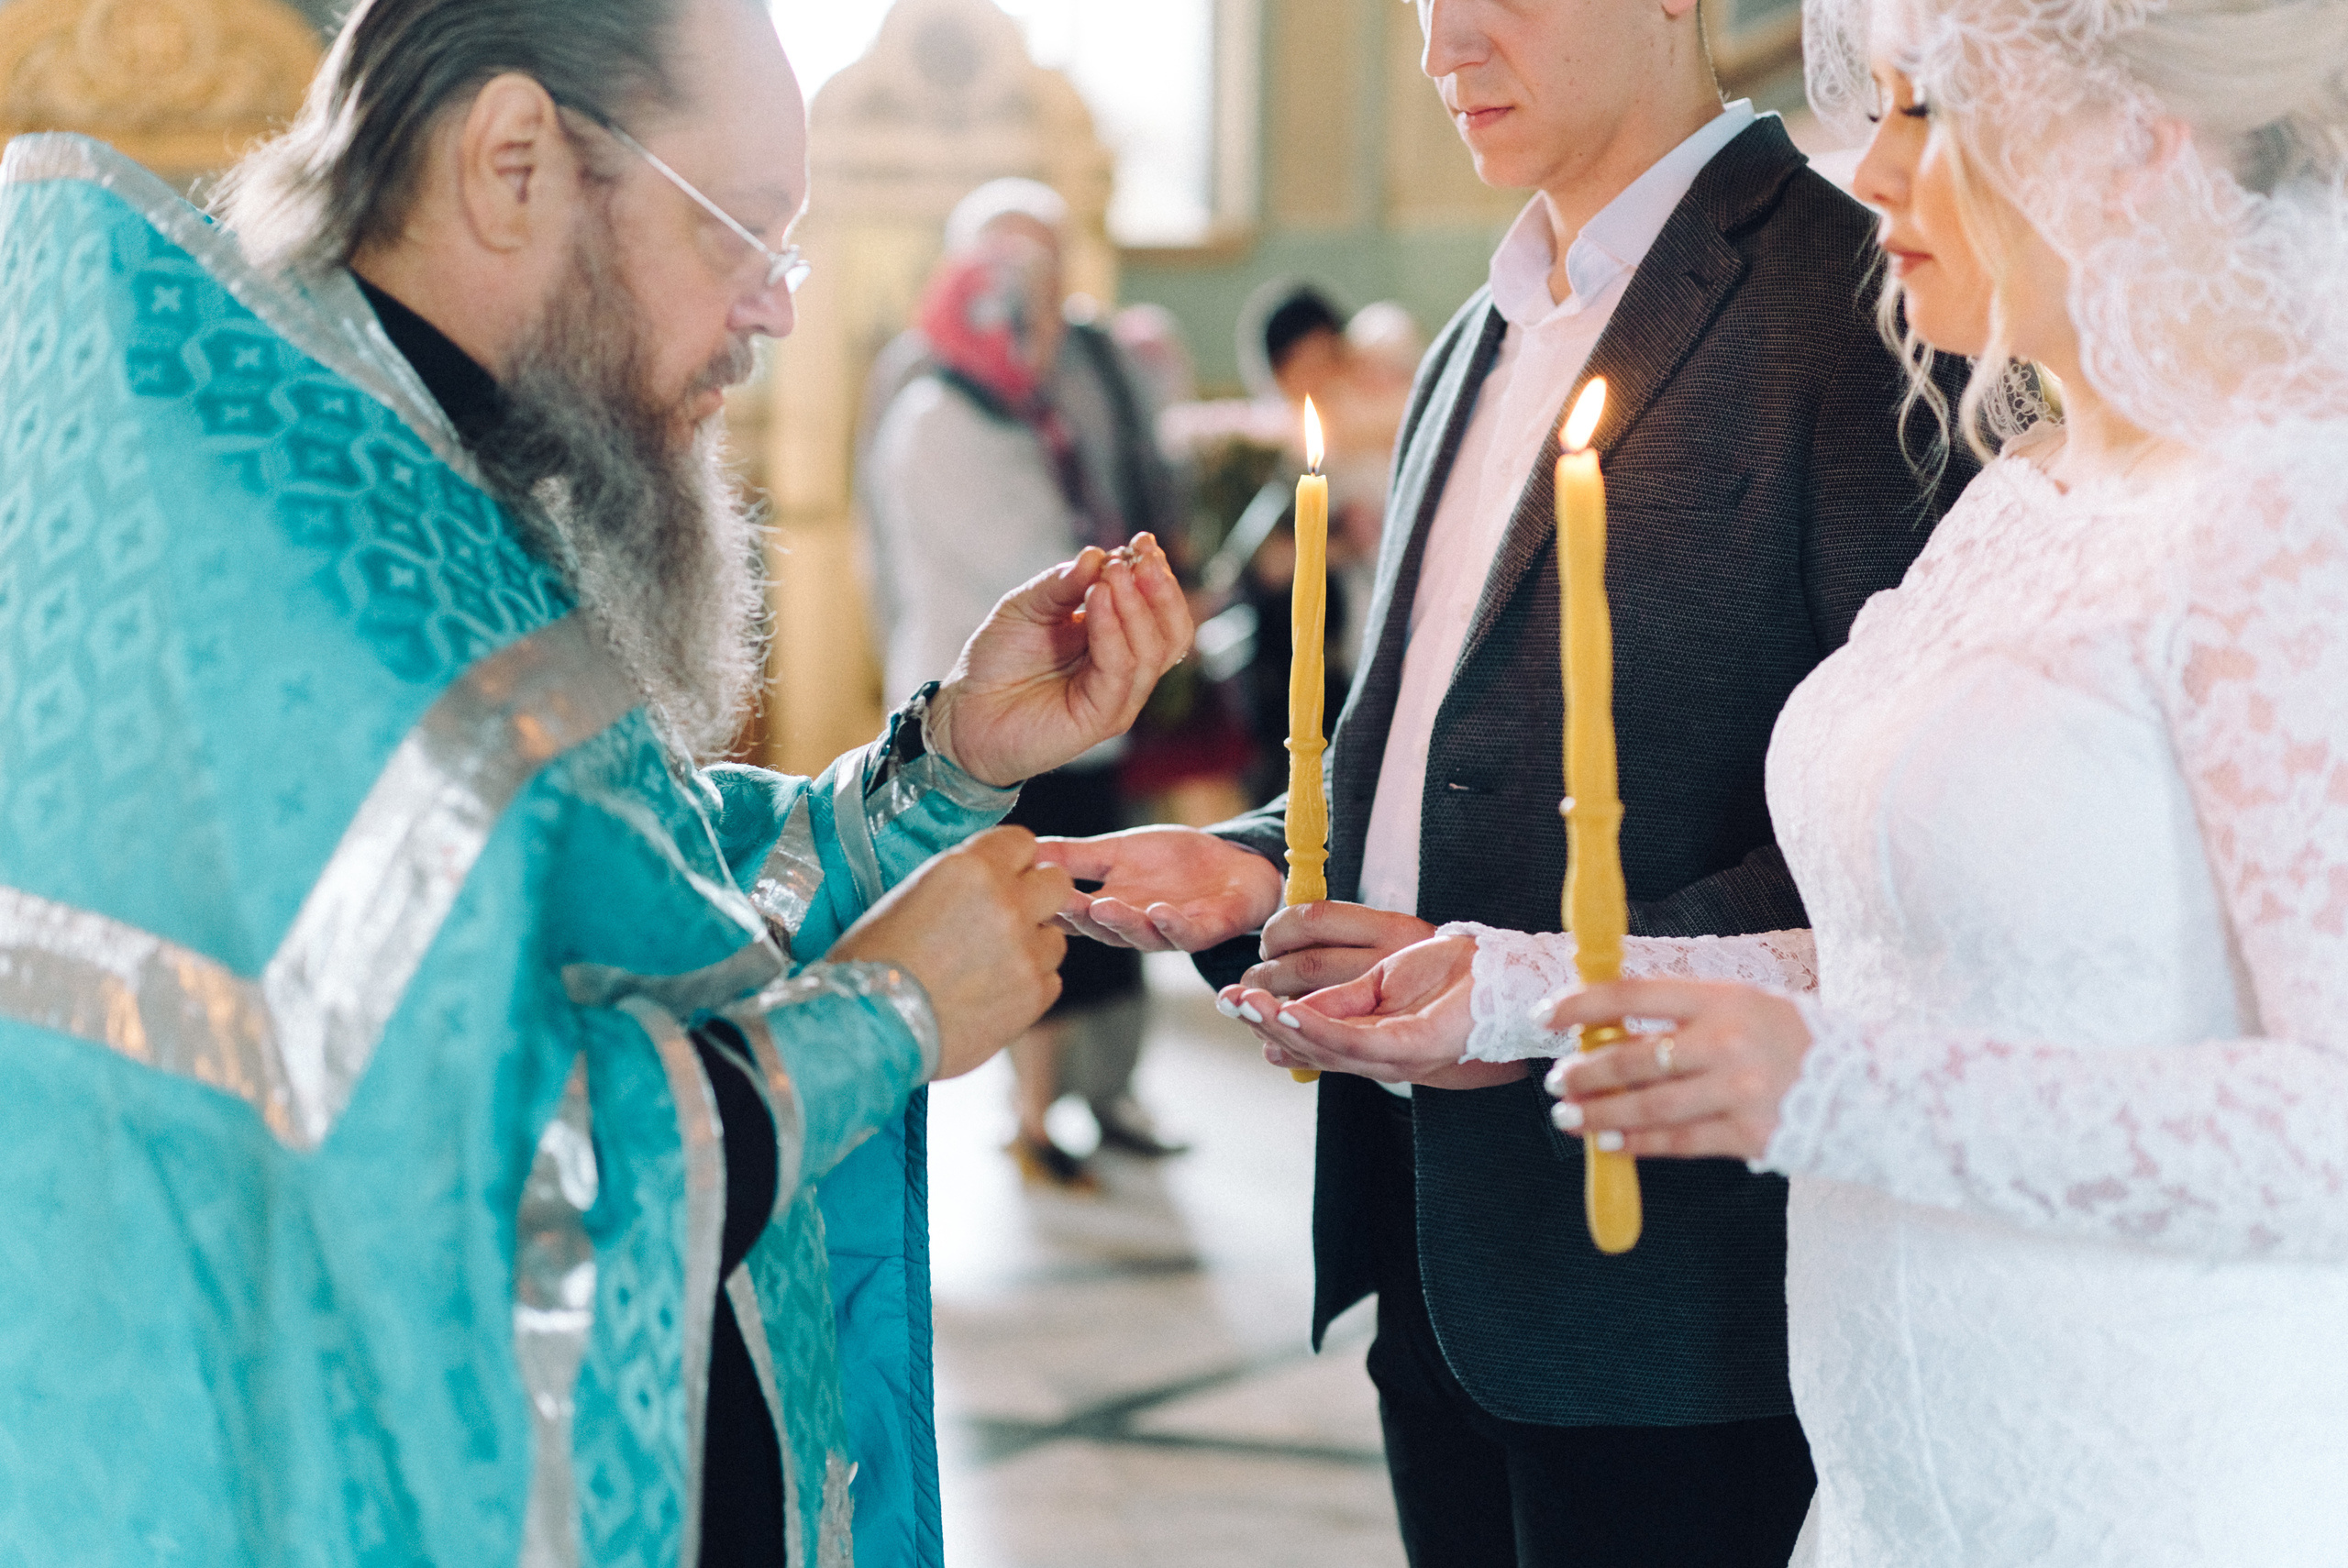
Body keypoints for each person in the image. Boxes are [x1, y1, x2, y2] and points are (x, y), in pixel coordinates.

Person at [0, 0, 1191, 1563]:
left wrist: (947, 762)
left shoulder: (387, 484)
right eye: (741, 231)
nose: (774, 309)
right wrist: (884, 1015)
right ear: (513, 164)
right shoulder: (314, 585)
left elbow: (625, 906)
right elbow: (466, 1219)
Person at [1243, 0, 2348, 1560]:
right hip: (1898, 1468)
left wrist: (1837, 1088)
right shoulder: (2033, 503)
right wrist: (1513, 990)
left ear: (2132, 139)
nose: (1871, 169)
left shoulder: (2291, 513)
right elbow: (1904, 955)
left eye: (1926, 114)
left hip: (2143, 1465)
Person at [1043, 0, 1972, 1560]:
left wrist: (1528, 995)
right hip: (1431, 1241)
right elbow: (1414, 758)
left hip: (1686, 1291)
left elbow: (1914, 834)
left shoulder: (1856, 294)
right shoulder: (1478, 336)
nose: (1442, 48)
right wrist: (1263, 869)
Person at [860, 181, 1191, 1185]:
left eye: (1041, 274)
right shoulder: (933, 395)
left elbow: (1138, 468)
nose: (1021, 300)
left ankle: (1110, 1094)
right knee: (1035, 891)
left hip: (1093, 688)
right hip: (995, 691)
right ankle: (1034, 1114)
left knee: (1113, 887)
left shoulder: (1082, 365)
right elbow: (989, 552)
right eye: (1001, 273)